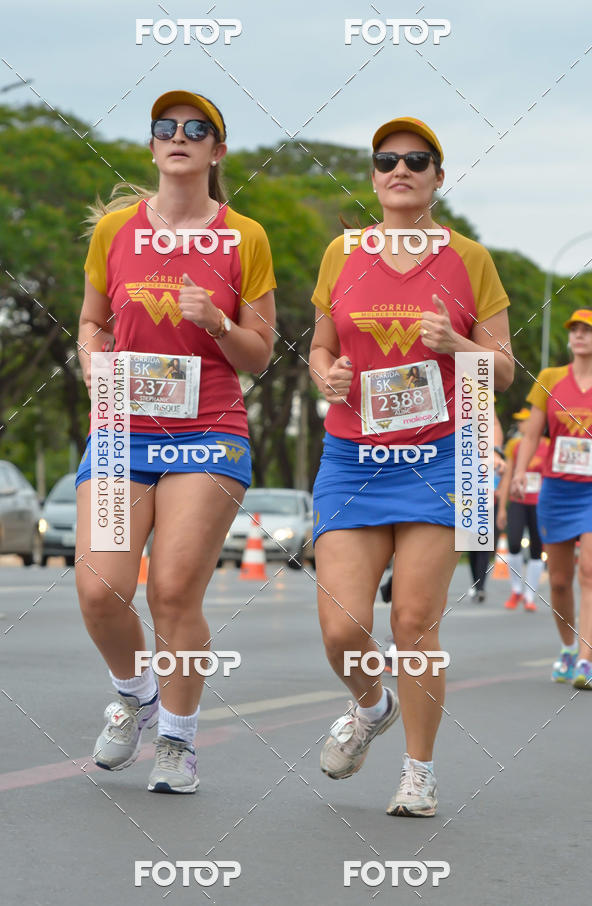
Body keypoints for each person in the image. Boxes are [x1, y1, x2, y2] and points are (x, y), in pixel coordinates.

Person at [309, 116, 513, 816]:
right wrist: (327, 376)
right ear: (373, 177)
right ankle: (372, 705)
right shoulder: (343, 253)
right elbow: (319, 349)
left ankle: (418, 773)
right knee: (342, 627)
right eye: (387, 159)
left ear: (438, 178)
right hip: (353, 459)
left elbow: (503, 371)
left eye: (417, 160)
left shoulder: (470, 260)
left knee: (414, 621)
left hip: (440, 458)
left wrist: (458, 344)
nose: (401, 169)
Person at [75, 90, 276, 792]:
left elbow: (261, 355)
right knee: (100, 588)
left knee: (171, 589)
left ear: (217, 151)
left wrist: (219, 323)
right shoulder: (116, 231)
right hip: (122, 428)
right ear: (153, 145)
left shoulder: (244, 237)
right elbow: (92, 322)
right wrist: (91, 360)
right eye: (166, 127)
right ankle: (138, 698)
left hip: (207, 432)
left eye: (197, 128)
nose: (179, 135)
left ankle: (178, 742)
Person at [512, 310, 592, 688]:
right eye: (574, 329)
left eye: (587, 330)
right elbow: (531, 434)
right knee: (559, 581)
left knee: (589, 571)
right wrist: (519, 472)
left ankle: (586, 661)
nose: (579, 335)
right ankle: (568, 648)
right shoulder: (549, 379)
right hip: (556, 491)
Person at [497, 408, 548, 612]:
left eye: (524, 421)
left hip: (540, 504)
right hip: (518, 501)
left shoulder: (548, 445)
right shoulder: (515, 445)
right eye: (518, 421)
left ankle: (529, 596)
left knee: (537, 549)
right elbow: (507, 477)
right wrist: (502, 508)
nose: (520, 425)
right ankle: (516, 589)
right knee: (513, 543)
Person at [466, 408, 505, 602]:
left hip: (489, 503)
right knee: (472, 546)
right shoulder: (464, 447)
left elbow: (502, 474)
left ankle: (480, 587)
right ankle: (476, 583)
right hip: (468, 503)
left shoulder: (494, 450)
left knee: (483, 545)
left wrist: (500, 493)